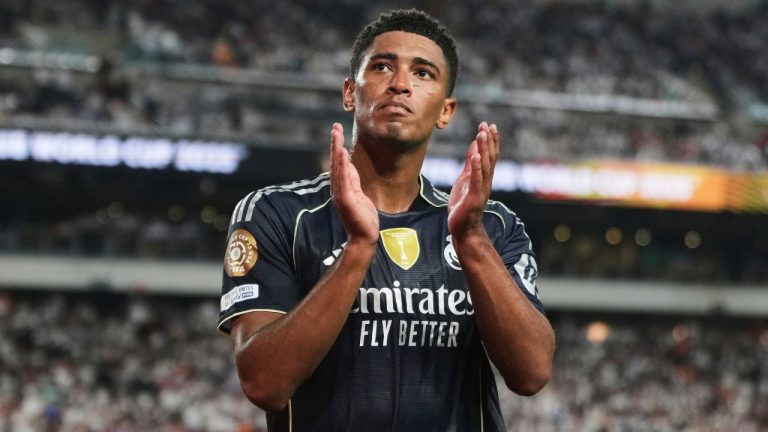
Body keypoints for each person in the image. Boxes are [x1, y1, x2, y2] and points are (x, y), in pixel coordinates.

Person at [218, 8, 555, 431]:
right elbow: (264, 382)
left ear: (446, 110)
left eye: (423, 74)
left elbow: (532, 373)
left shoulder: (492, 225)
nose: (400, 84)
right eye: (382, 67)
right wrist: (358, 250)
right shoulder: (277, 213)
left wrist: (471, 241)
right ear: (349, 92)